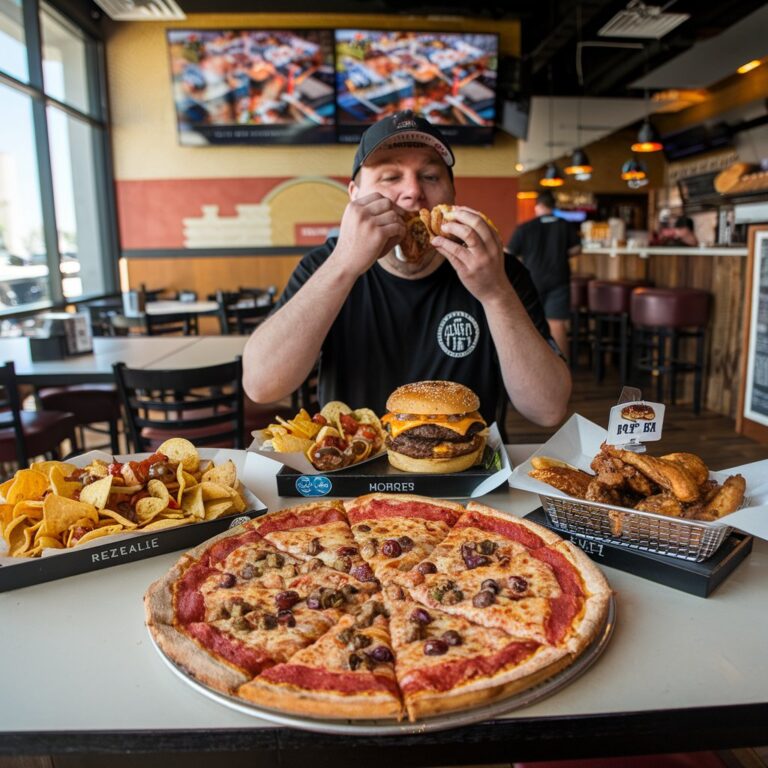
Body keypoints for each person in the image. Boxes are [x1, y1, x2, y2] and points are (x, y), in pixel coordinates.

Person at [242, 110, 571, 427]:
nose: (413, 192)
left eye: (430, 176)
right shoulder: (324, 266)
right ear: (354, 197)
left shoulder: (499, 271)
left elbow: (548, 410)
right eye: (390, 177)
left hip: (469, 471)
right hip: (354, 467)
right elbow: (262, 386)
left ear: (452, 195)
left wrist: (496, 294)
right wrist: (343, 265)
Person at [506, 190, 581, 358]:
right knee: (557, 324)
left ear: (538, 206)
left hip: (531, 280)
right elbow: (577, 249)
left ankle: (533, 364)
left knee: (530, 324)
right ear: (553, 206)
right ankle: (562, 366)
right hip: (559, 279)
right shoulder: (565, 225)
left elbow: (508, 253)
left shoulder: (526, 227)